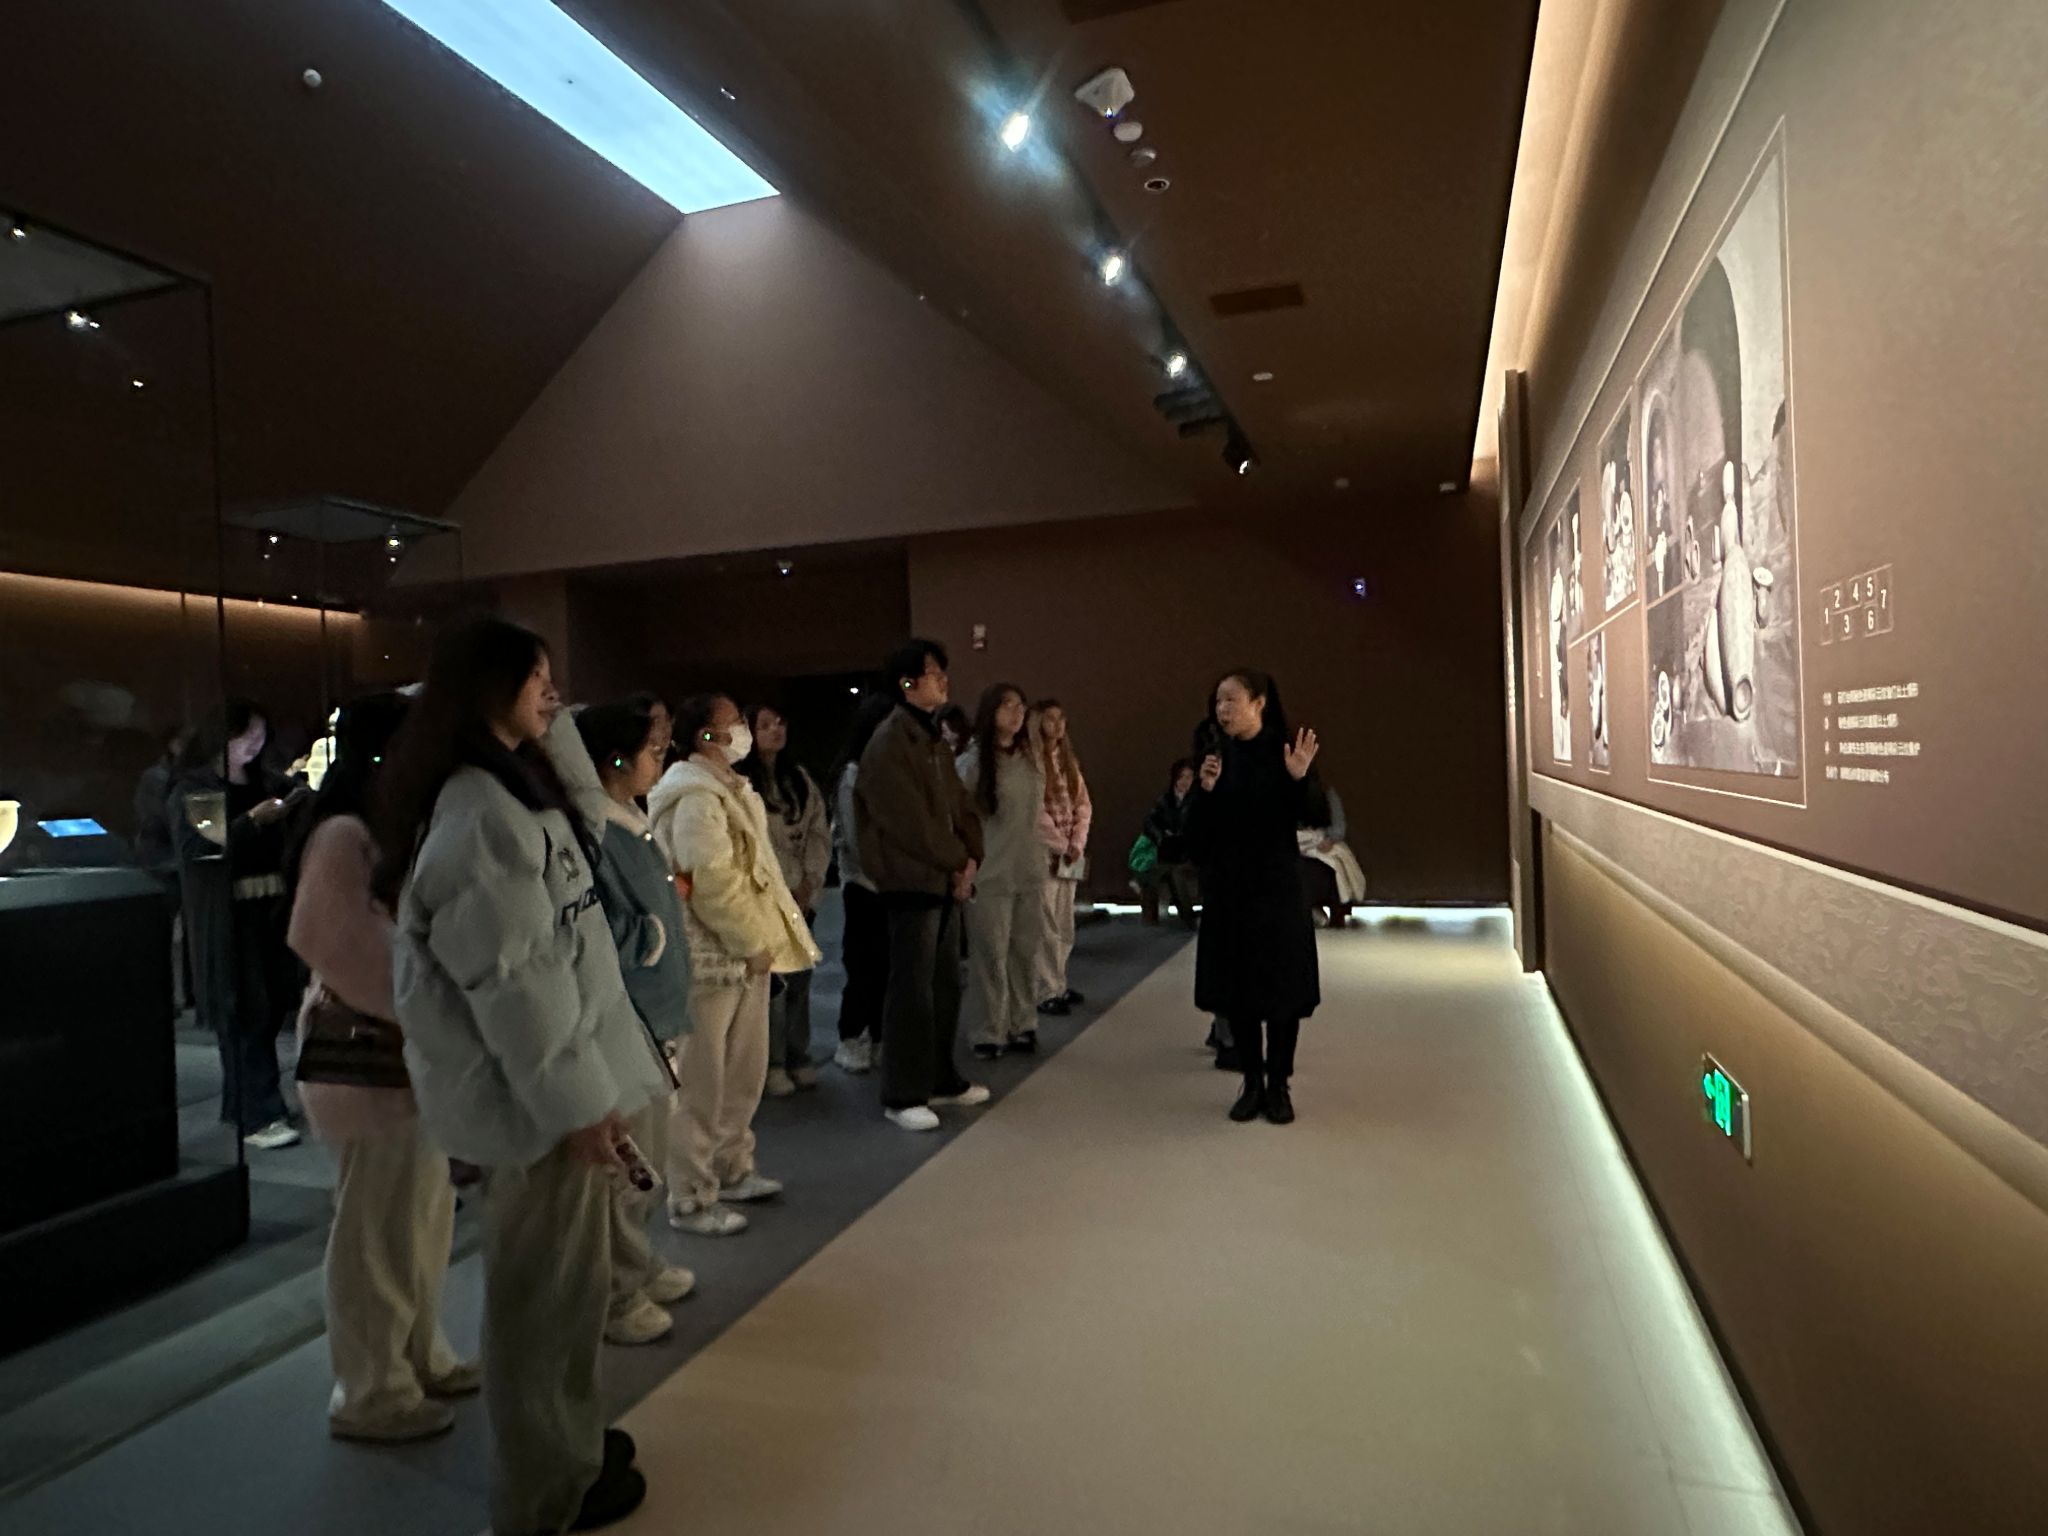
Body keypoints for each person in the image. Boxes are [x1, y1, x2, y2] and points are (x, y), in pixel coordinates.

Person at [383, 616, 669, 1534]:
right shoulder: (478, 816)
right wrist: (581, 1107)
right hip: (535, 1107)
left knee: (569, 1293)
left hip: (555, 1093)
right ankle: (545, 1487)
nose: (554, 693)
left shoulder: (511, 789)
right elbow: (517, 987)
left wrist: (591, 1097)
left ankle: (569, 1444)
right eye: (536, 677)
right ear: (485, 689)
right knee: (542, 1303)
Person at [283, 691, 478, 1443]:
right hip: (366, 1053)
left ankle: (416, 1353)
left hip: (399, 1049)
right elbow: (335, 941)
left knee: (418, 1214)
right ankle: (371, 1385)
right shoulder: (344, 834)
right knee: (376, 1227)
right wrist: (435, 1001)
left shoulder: (379, 830)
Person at [647, 695, 819, 1237]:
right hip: (710, 957)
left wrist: (758, 942)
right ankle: (691, 1194)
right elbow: (711, 881)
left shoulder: (731, 788)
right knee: (702, 1080)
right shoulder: (693, 797)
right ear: (705, 735)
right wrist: (749, 940)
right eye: (733, 723)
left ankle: (731, 1166)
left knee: (743, 1072)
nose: (741, 730)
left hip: (746, 953)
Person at [572, 700, 699, 1347]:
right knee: (628, 1161)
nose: (661, 758)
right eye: (653, 748)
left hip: (654, 1011)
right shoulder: (595, 827)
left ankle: (636, 1260)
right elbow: (596, 926)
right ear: (615, 757)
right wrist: (647, 939)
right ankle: (615, 1292)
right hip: (626, 1014)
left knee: (650, 1148)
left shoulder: (630, 818)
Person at [854, 639, 990, 1132]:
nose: (943, 680)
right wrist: (957, 860)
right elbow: (908, 823)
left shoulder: (930, 737)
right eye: (933, 673)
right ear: (907, 683)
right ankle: (903, 1092)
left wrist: (971, 856)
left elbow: (959, 805)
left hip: (942, 877)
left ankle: (940, 1077)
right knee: (912, 988)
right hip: (910, 879)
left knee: (945, 982)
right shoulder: (891, 741)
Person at [1188, 670, 1322, 1126]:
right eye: (1218, 701)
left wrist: (1298, 778)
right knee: (1239, 990)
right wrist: (1204, 792)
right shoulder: (1214, 756)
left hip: (1277, 888)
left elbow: (1312, 814)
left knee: (1281, 990)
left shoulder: (1286, 751)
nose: (1222, 709)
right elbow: (1196, 836)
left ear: (1259, 703)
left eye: (1231, 700)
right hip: (1230, 890)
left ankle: (1279, 1084)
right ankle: (1251, 1083)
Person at [173, 700, 306, 1150]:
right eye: (246, 735)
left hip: (269, 912)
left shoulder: (266, 779)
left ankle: (245, 1104)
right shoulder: (198, 786)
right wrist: (252, 821)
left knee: (267, 1009)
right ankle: (258, 1112)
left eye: (259, 736)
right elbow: (206, 847)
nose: (255, 744)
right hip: (231, 918)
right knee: (246, 1012)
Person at [737, 705, 831, 1098]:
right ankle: (771, 1062)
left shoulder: (799, 779)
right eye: (765, 725)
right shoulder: (741, 783)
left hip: (801, 895)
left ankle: (798, 1054)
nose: (775, 730)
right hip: (763, 898)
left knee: (800, 982)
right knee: (771, 987)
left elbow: (818, 833)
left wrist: (810, 882)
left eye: (780, 723)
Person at [957, 684, 1048, 1061]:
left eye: (1020, 706)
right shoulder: (973, 762)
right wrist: (964, 866)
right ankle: (988, 1029)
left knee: (1025, 951)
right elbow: (958, 818)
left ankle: (1022, 1022)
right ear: (990, 712)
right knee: (990, 955)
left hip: (1029, 868)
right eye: (1007, 706)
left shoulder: (1030, 758)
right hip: (990, 871)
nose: (1016, 713)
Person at [829, 693, 894, 1075]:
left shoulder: (891, 769)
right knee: (862, 966)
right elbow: (855, 836)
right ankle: (850, 1037)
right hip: (863, 882)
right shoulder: (853, 773)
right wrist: (882, 869)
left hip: (892, 883)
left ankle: (881, 1036)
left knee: (887, 967)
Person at [1031, 699, 1092, 1018]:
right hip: (1045, 853)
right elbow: (1034, 812)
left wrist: (1077, 841)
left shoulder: (1067, 760)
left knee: (1065, 922)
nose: (1057, 725)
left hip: (1069, 852)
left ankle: (1059, 983)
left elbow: (1083, 803)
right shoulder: (1031, 761)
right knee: (1046, 925)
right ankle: (1044, 989)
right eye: (1049, 719)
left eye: (1061, 719)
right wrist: (1060, 843)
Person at [1136, 759, 1201, 930]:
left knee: (1175, 872)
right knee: (1150, 869)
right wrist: (1162, 836)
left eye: (1189, 777)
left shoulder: (1197, 801)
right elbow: (1150, 822)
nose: (1186, 781)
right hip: (1167, 851)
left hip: (1189, 854)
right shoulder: (1165, 800)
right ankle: (1152, 919)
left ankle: (1188, 918)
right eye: (1182, 777)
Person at [1298, 781, 1367, 927]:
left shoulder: (1327, 795)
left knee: (1334, 865)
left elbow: (1338, 829)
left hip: (1322, 845)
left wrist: (1329, 839)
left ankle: (1332, 910)